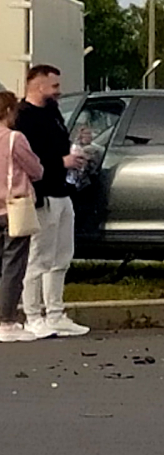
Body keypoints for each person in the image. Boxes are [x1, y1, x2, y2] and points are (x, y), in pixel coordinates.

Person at [15, 65, 89, 338]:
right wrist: (61, 162)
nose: (59, 91)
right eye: (54, 86)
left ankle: (55, 313)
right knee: (38, 258)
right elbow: (28, 160)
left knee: (61, 257)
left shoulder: (52, 112)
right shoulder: (23, 118)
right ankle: (32, 314)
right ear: (38, 86)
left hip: (62, 191)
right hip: (41, 194)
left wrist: (74, 153)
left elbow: (58, 145)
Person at [0, 92, 43, 343]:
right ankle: (5, 320)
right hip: (13, 208)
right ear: (8, 112)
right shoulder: (15, 138)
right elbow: (36, 170)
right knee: (13, 266)